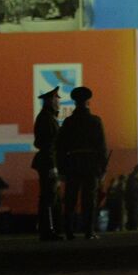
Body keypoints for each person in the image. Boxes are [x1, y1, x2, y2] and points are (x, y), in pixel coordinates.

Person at [57, 86, 107, 240]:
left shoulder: (68, 122)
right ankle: (89, 231)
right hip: (90, 164)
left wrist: (61, 168)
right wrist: (102, 168)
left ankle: (69, 231)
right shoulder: (95, 121)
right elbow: (102, 146)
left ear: (75, 102)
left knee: (70, 199)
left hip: (72, 164)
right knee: (89, 200)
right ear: (88, 102)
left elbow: (60, 147)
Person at [31, 86, 63, 241]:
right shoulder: (46, 118)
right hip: (48, 162)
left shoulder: (47, 117)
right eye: (57, 99)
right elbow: (48, 145)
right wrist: (53, 166)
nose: (59, 102)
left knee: (50, 196)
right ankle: (47, 230)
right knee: (49, 197)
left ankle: (50, 229)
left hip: (47, 162)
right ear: (51, 100)